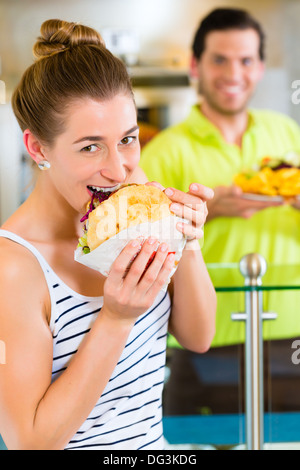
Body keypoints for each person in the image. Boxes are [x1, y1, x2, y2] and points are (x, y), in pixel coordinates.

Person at [0, 19, 216, 450]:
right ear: (38, 148)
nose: (118, 169)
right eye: (89, 146)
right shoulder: (13, 268)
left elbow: (199, 336)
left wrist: (187, 242)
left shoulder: (134, 195)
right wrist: (115, 319)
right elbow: (30, 441)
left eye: (128, 139)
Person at [140, 8, 300, 415]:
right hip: (205, 339)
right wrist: (207, 212)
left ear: (260, 68)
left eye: (246, 60)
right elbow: (138, 242)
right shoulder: (165, 151)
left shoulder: (286, 132)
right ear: (195, 65)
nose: (234, 73)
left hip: (290, 332)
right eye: (219, 59)